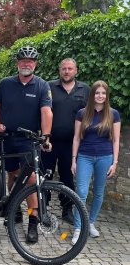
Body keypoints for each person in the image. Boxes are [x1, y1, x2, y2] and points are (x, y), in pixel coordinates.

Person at [0, 46, 52, 243]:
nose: (27, 64)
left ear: (35, 64)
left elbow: (46, 112)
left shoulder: (42, 86)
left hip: (29, 140)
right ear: (17, 63)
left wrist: (46, 137)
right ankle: (14, 208)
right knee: (11, 174)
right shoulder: (5, 84)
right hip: (8, 137)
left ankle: (33, 222)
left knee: (31, 179)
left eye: (31, 61)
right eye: (23, 60)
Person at [71, 80, 121, 244]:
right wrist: (74, 160)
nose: (100, 96)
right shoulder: (82, 113)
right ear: (92, 95)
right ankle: (79, 228)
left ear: (106, 96)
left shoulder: (113, 114)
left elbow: (115, 140)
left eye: (103, 93)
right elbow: (77, 138)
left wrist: (114, 162)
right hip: (84, 156)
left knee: (99, 192)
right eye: (97, 93)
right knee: (81, 193)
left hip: (104, 158)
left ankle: (90, 222)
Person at [42, 58, 90, 225]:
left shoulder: (85, 90)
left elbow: (89, 116)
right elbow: (42, 111)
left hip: (72, 144)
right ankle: (43, 209)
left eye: (70, 69)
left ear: (76, 70)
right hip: (49, 142)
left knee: (67, 178)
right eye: (64, 69)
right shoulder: (48, 87)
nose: (67, 71)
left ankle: (67, 209)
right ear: (59, 70)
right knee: (44, 175)